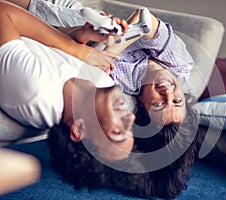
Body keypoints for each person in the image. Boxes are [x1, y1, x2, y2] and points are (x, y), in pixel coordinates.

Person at [1, 0, 198, 198]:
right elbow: (51, 50)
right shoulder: (99, 85)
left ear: (79, 130)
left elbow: (4, 14)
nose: (131, 119)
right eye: (129, 128)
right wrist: (79, 37)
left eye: (118, 131)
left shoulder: (38, 92)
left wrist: (75, 47)